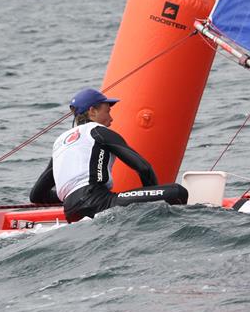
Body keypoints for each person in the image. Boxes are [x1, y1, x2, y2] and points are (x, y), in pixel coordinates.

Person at [30, 88, 188, 222]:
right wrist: (152, 203)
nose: (111, 118)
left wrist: (74, 197)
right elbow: (143, 167)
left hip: (71, 212)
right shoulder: (98, 131)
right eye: (107, 111)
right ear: (92, 111)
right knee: (177, 192)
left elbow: (36, 195)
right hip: (98, 202)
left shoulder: (60, 142)